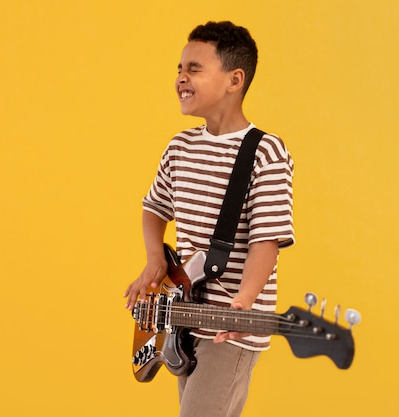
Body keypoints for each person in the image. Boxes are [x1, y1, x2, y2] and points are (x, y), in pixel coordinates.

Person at [123, 21, 294, 417]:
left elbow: (266, 241)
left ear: (235, 79)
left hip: (228, 329)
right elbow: (154, 206)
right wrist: (155, 260)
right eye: (179, 70)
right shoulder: (181, 146)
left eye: (194, 69)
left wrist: (244, 302)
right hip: (182, 318)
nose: (181, 78)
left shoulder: (265, 152)